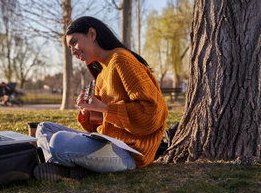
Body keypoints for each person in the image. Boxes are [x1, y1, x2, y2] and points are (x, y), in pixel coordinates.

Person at [33, 16, 168, 181]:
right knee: (44, 128)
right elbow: (96, 129)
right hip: (109, 143)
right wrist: (89, 111)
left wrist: (105, 108)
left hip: (130, 152)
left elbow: (152, 114)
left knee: (59, 141)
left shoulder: (121, 60)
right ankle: (66, 169)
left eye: (74, 43)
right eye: (69, 48)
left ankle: (62, 166)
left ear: (92, 33)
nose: (73, 52)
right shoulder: (102, 73)